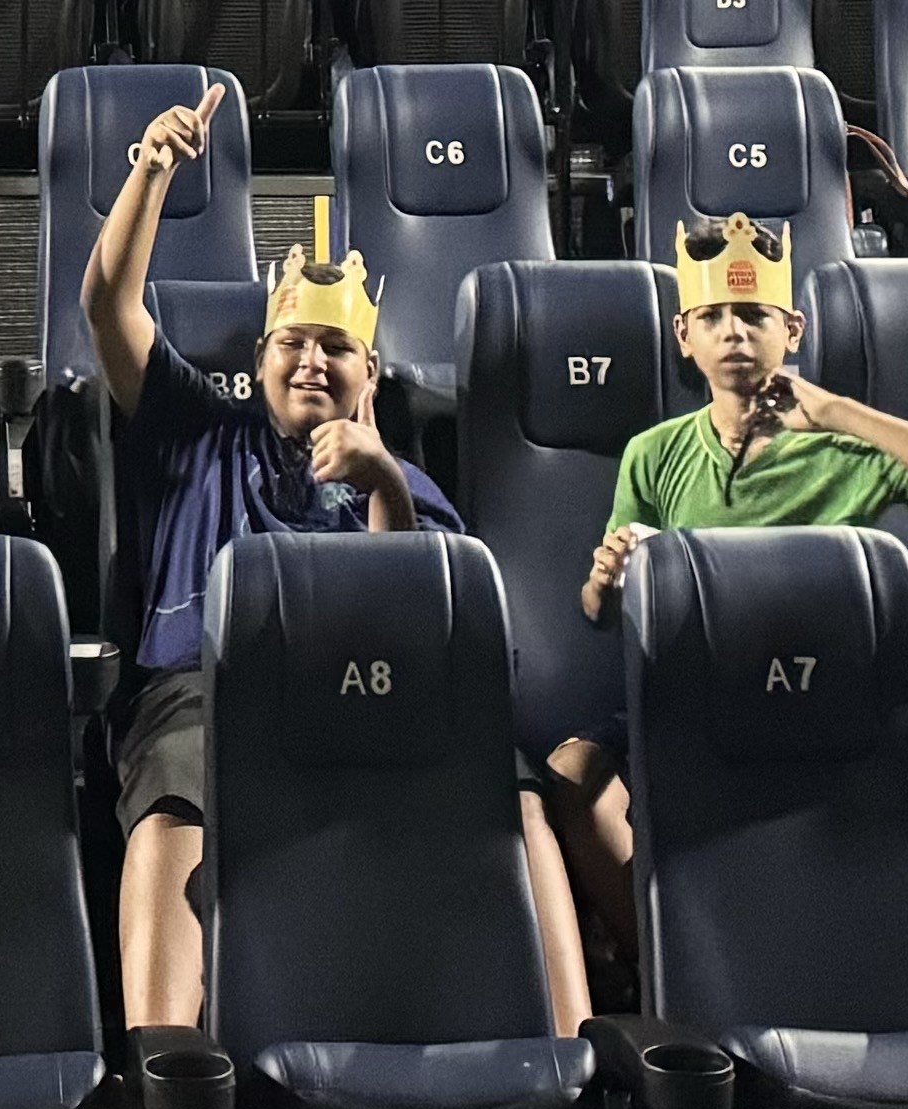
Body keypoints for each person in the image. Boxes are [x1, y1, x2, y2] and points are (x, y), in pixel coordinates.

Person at [84, 84, 571, 1033]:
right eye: (293, 343)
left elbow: (425, 626)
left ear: (370, 373)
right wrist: (152, 171)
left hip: (371, 690)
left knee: (510, 785)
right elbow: (108, 306)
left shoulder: (405, 481)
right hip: (206, 686)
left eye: (336, 346)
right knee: (175, 783)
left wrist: (381, 474)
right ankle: (162, 1068)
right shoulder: (197, 430)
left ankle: (571, 1055)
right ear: (259, 358)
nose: (312, 361)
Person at [543, 216, 908, 956]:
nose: (734, 332)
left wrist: (834, 410)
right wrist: (604, 581)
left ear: (792, 330)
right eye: (713, 317)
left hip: (810, 681)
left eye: (755, 316)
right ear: (683, 336)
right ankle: (661, 955)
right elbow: (602, 613)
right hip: (695, 683)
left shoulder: (843, 450)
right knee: (574, 771)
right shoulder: (654, 452)